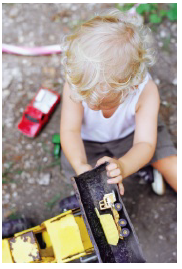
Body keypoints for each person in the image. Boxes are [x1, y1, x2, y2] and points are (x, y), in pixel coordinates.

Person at [60, 9, 177, 196]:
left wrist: (123, 166)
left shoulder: (145, 91)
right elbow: (70, 131)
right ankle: (132, 168)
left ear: (131, 87)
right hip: (88, 141)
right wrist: (81, 165)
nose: (90, 107)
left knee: (169, 163)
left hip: (132, 135)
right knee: (78, 169)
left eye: (102, 104)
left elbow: (145, 143)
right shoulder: (75, 85)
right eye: (84, 99)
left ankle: (135, 165)